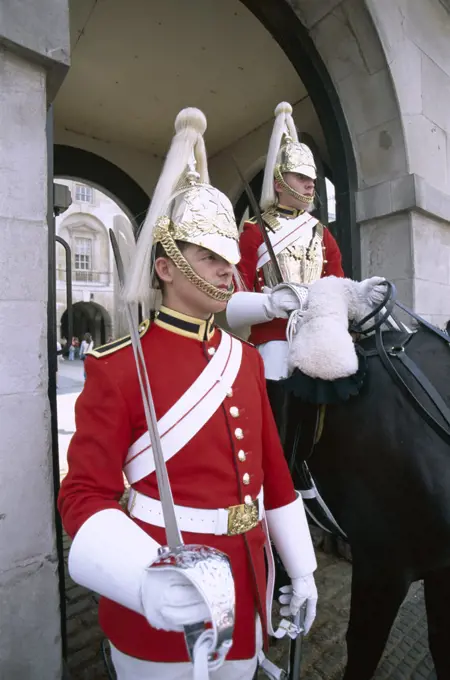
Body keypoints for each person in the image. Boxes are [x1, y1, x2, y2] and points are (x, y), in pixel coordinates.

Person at [58, 108, 318, 680]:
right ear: (166, 267)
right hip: (164, 582)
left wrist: (301, 570)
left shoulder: (246, 361)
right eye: (209, 258)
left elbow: (273, 475)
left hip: (247, 581)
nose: (228, 273)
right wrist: (145, 577)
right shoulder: (119, 365)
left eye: (231, 261)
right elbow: (83, 495)